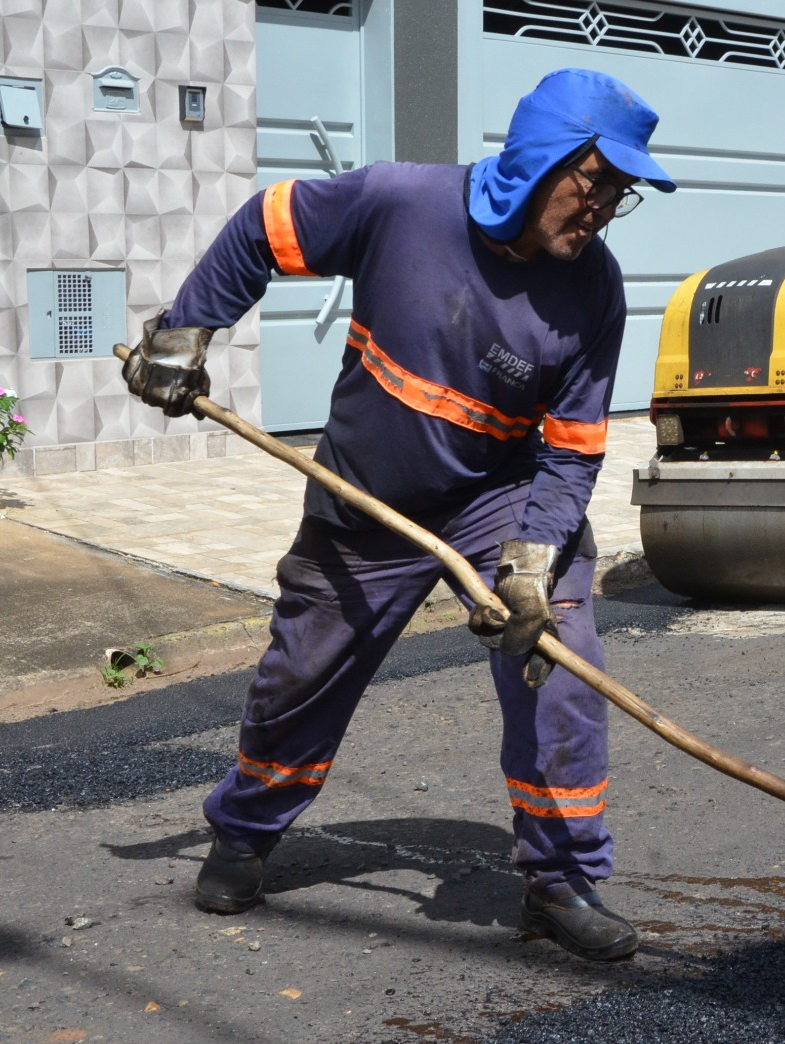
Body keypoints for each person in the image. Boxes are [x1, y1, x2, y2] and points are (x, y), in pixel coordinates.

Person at [120, 69, 675, 963]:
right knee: (300, 676)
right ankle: (246, 828)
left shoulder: (594, 292)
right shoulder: (400, 204)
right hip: (366, 492)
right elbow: (265, 226)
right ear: (543, 161)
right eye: (595, 182)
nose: (604, 208)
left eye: (621, 193)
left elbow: (571, 447)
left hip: (498, 497)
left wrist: (534, 553)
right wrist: (187, 331)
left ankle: (561, 879)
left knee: (559, 649)